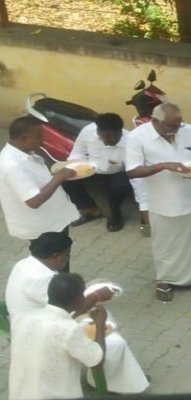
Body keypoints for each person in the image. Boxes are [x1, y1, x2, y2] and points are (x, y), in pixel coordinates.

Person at [5, 232, 150, 394]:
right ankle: (108, 382)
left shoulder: (25, 265)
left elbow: (65, 303)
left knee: (103, 317)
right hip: (42, 331)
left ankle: (127, 379)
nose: (68, 258)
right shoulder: (40, 280)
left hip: (28, 324)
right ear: (55, 256)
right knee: (115, 342)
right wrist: (97, 308)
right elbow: (74, 311)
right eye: (66, 254)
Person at [126, 103, 191, 301]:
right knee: (166, 246)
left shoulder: (189, 130)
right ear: (155, 121)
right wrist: (163, 166)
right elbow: (132, 171)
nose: (175, 130)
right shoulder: (137, 137)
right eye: (170, 126)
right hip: (161, 202)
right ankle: (165, 281)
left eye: (178, 125)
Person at [9, 273, 106, 400]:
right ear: (77, 300)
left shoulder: (21, 318)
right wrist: (100, 324)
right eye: (82, 295)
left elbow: (54, 329)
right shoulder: (70, 329)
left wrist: (76, 313)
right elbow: (96, 362)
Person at [0, 116, 78, 271]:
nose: (42, 141)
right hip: (42, 227)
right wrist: (59, 177)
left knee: (62, 260)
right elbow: (34, 201)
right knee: (53, 266)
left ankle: (65, 282)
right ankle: (60, 285)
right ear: (24, 138)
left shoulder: (24, 153)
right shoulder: (12, 165)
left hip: (53, 219)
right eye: (38, 137)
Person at [63, 113, 149, 233]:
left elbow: (135, 174)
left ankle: (114, 211)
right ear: (98, 132)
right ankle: (91, 210)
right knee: (66, 179)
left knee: (120, 185)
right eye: (107, 138)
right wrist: (74, 166)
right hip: (91, 170)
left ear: (121, 132)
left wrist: (144, 207)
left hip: (118, 173)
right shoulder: (87, 132)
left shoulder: (130, 141)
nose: (111, 141)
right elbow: (77, 152)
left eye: (115, 137)